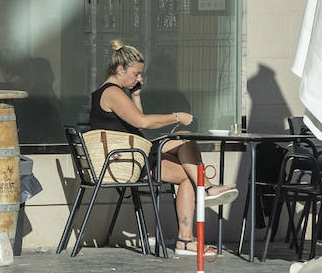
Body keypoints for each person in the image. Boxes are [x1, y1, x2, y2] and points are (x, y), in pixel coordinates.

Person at [90, 40, 238, 258]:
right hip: (126, 161)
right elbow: (141, 122)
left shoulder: (117, 92)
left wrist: (136, 95)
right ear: (120, 70)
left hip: (131, 157)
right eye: (136, 74)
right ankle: (206, 188)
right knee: (185, 139)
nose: (139, 79)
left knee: (188, 174)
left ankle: (185, 240)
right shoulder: (111, 92)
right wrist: (176, 117)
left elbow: (134, 124)